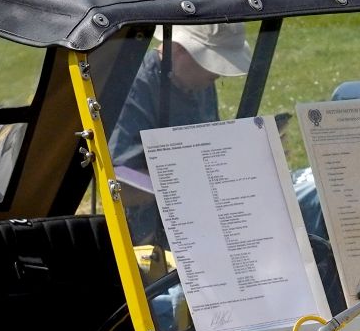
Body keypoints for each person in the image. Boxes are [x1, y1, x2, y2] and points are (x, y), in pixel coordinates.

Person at [107, 24, 252, 248]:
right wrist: (189, 180)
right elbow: (119, 186)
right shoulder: (134, 88)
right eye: (212, 61)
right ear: (179, 49)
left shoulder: (197, 80)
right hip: (152, 238)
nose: (218, 73)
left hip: (204, 221)